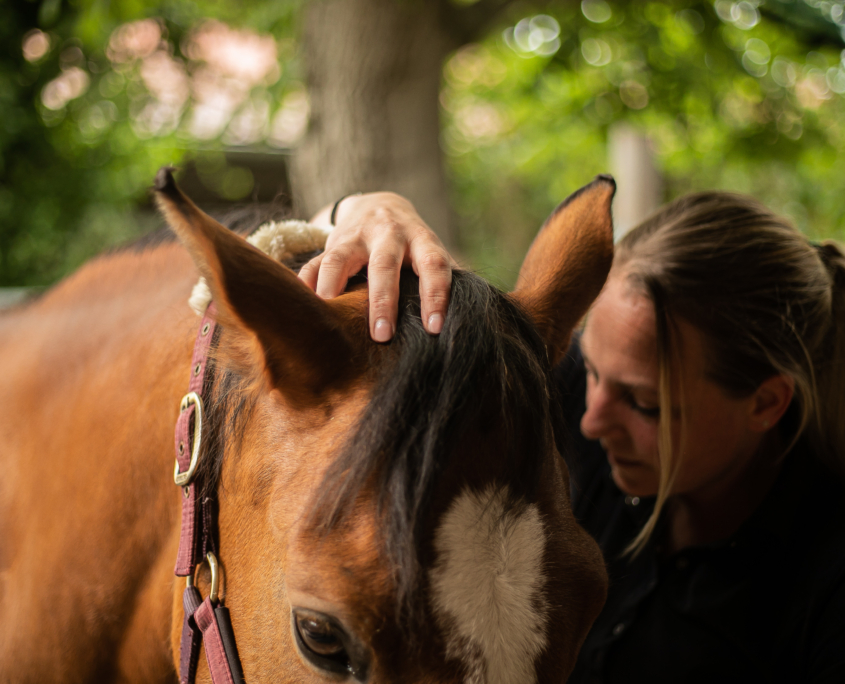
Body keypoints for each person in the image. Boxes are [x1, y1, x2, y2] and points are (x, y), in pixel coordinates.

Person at [300, 188, 845, 682]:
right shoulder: (545, 404)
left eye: (645, 404)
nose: (588, 419)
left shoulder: (824, 587)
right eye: (590, 369)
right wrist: (365, 209)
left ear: (767, 403)